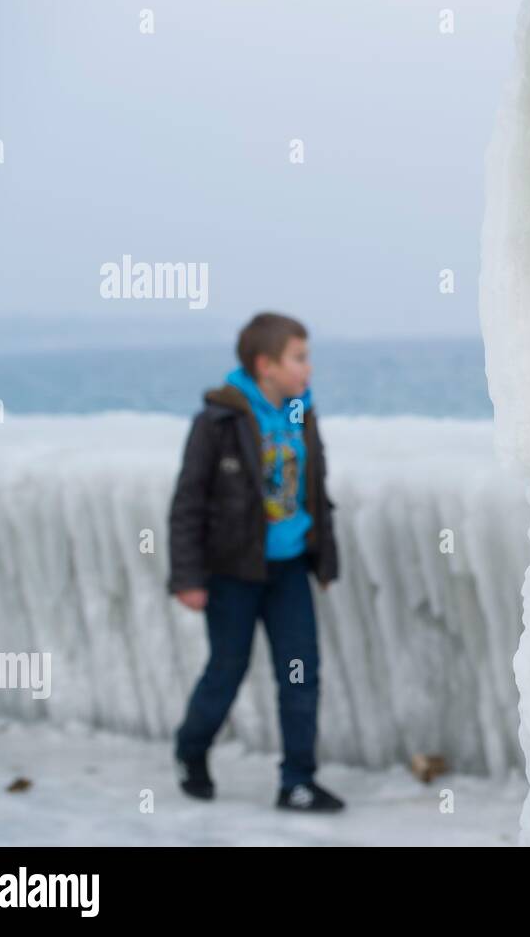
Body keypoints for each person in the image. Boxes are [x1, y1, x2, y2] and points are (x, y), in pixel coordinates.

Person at [167, 311, 343, 812]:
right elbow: (188, 502)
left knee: (299, 672)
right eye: (299, 358)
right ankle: (191, 749)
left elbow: (315, 490)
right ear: (265, 364)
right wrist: (187, 576)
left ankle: (297, 782)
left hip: (289, 570)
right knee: (227, 669)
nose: (308, 368)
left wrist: (324, 561)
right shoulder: (217, 421)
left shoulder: (301, 414)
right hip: (232, 573)